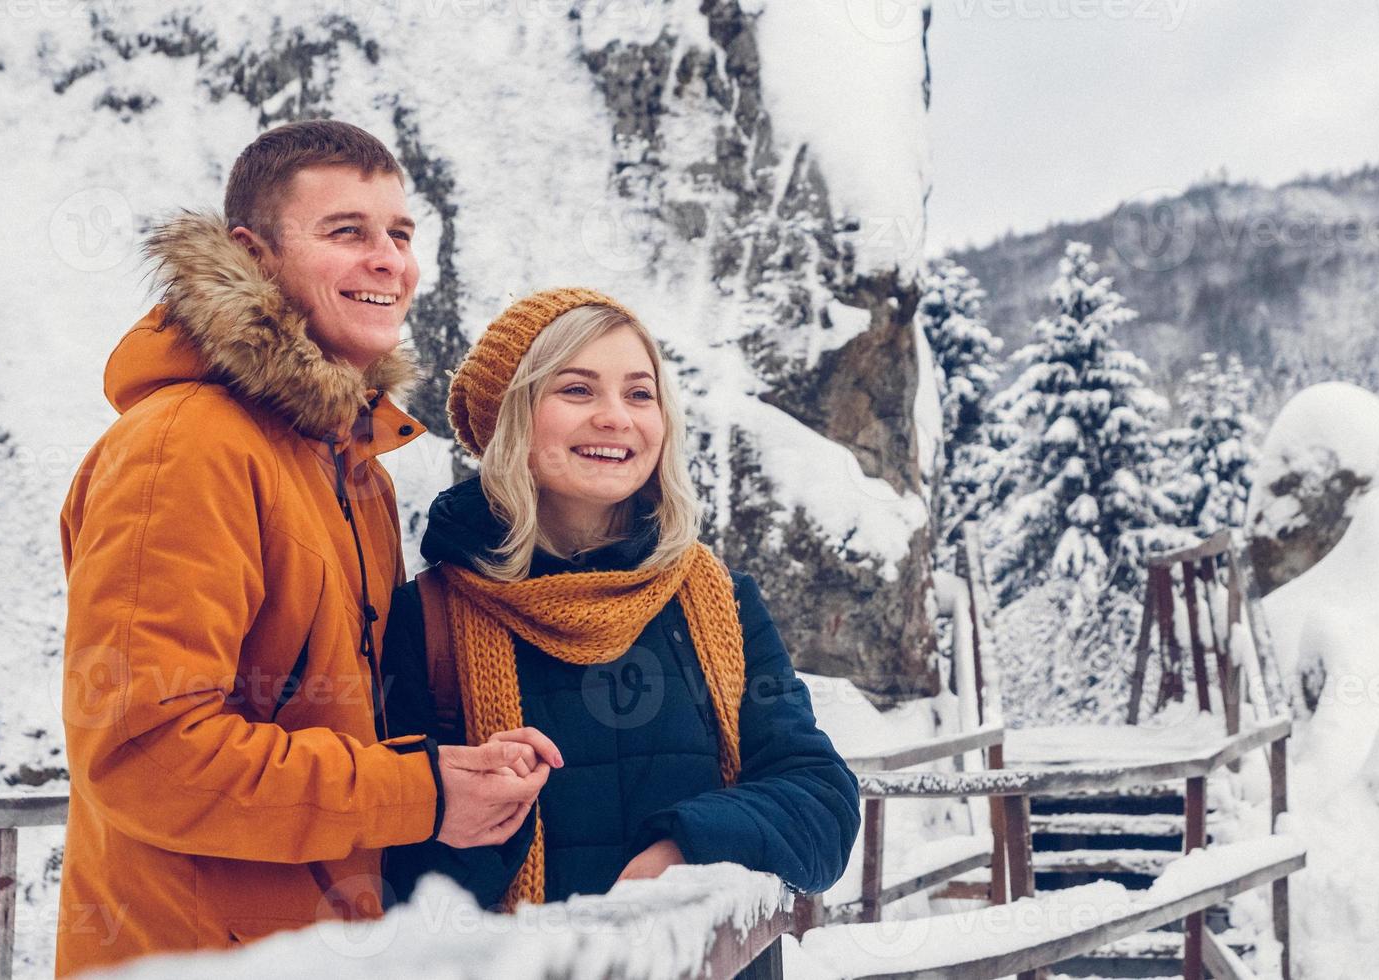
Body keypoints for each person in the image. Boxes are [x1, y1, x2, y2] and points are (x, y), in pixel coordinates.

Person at [56, 120, 558, 975]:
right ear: (253, 256)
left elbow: (327, 716)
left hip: (325, 949)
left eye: (399, 233)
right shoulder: (185, 444)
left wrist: (460, 762)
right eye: (346, 232)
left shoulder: (355, 466)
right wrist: (425, 793)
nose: (388, 260)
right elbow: (148, 754)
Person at [380, 288, 860, 909]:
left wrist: (684, 852)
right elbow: (393, 879)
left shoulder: (723, 605)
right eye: (576, 389)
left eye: (640, 393)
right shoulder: (429, 620)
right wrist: (478, 816)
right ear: (509, 419)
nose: (616, 417)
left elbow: (820, 801)